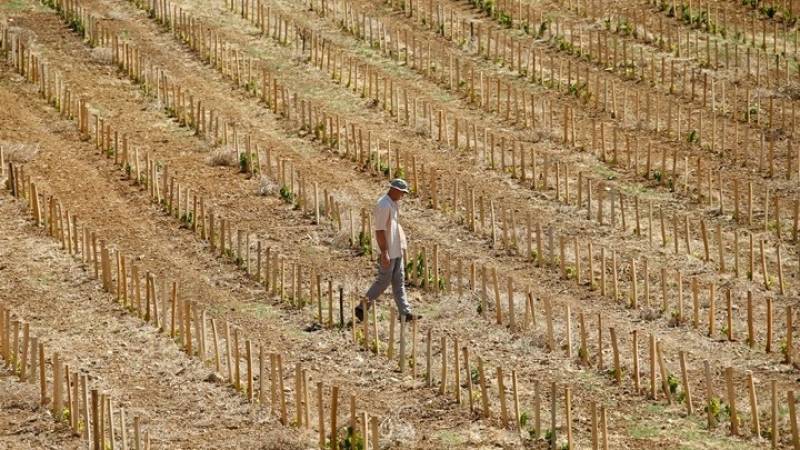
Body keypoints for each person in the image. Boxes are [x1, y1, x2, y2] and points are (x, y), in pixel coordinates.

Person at [355, 179, 421, 322]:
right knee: (383, 281)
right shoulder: (383, 205)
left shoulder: (393, 204)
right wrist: (384, 252)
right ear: (394, 190)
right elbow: (379, 231)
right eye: (402, 193)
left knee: (399, 281)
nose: (402, 196)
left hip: (396, 248)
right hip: (389, 250)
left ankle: (405, 312)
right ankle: (362, 307)